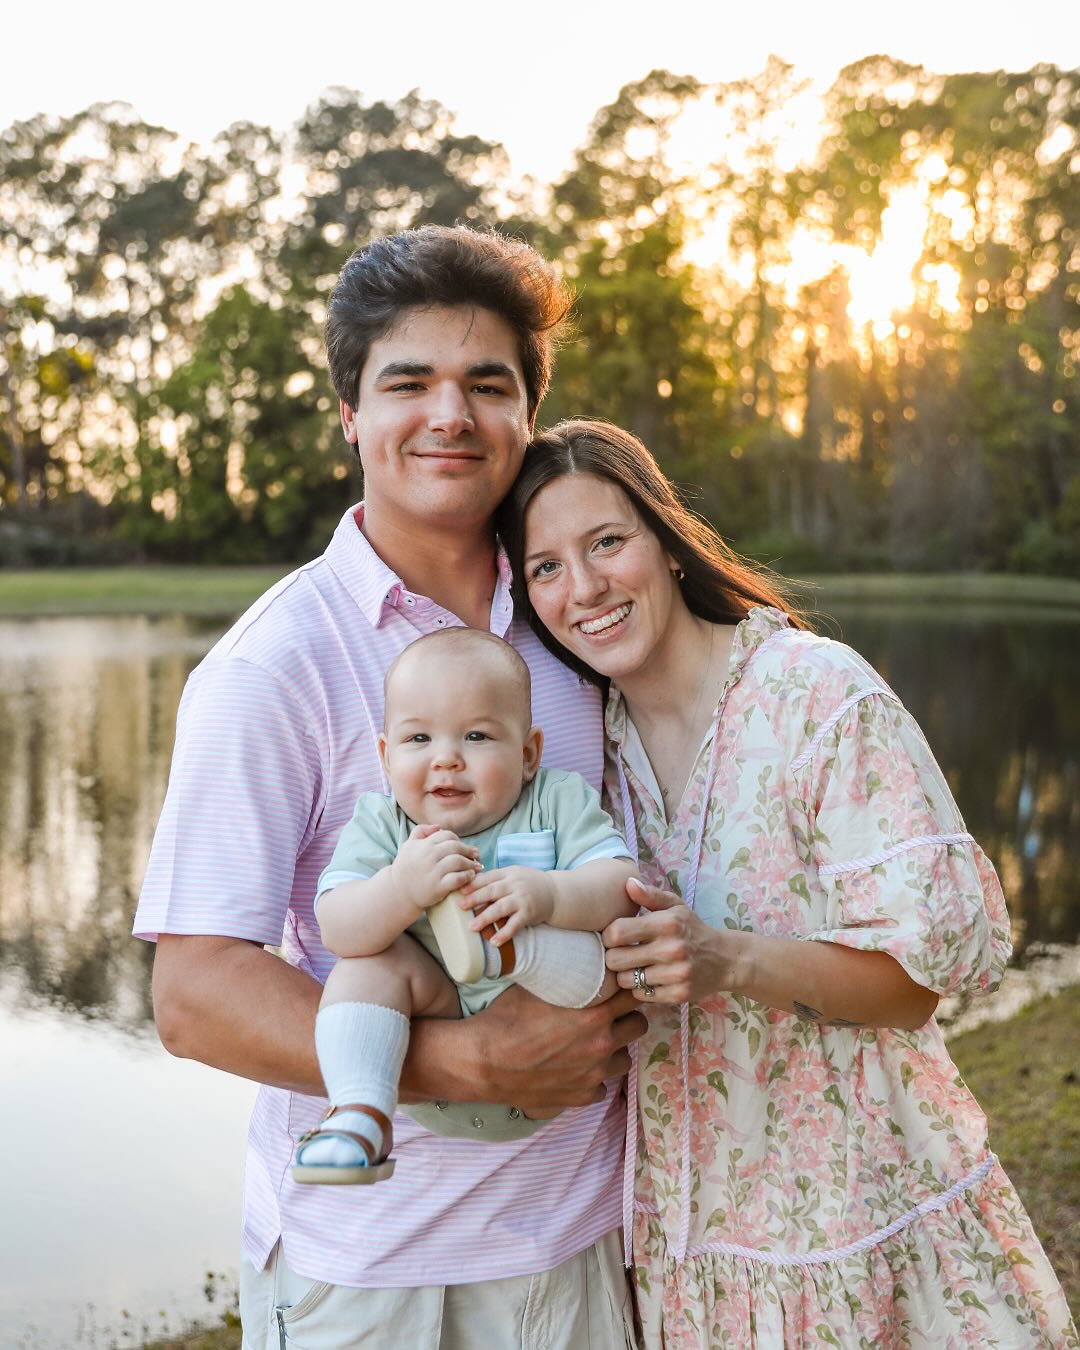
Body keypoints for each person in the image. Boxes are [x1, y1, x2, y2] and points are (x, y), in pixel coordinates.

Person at [134, 230, 644, 1350]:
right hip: (374, 1278)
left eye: (487, 385)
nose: (449, 415)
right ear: (352, 417)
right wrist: (465, 1063)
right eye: (408, 382)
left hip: (586, 1243)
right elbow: (195, 995)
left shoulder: (575, 626)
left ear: (527, 417)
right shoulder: (275, 665)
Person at [502, 418, 1078, 1349]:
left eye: (607, 541)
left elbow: (914, 987)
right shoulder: (579, 755)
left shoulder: (814, 695)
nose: (586, 588)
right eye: (547, 567)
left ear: (666, 540)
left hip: (862, 1232)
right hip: (685, 1256)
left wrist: (725, 958)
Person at [293, 626, 636, 1184]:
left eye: (476, 737)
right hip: (438, 1021)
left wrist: (550, 895)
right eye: (418, 740)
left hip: (556, 1026)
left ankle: (511, 951)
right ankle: (359, 1113)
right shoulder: (384, 825)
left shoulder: (554, 799)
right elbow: (338, 926)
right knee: (370, 963)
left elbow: (621, 885)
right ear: (385, 755)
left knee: (602, 949)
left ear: (528, 754)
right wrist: (401, 890)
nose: (447, 760)